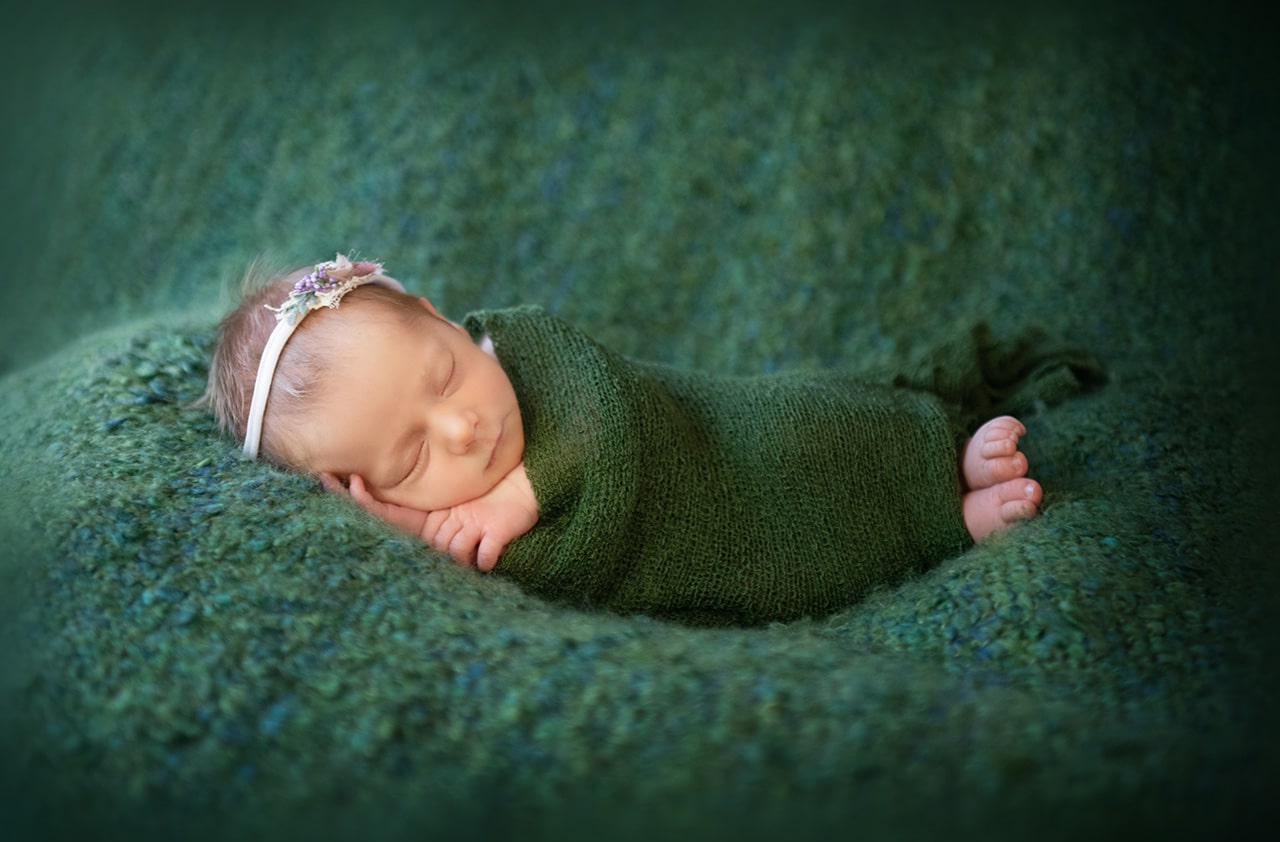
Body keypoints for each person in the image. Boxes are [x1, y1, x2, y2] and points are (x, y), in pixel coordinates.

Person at [203, 254, 1057, 627]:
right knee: (812, 555)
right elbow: (564, 577)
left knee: (820, 434)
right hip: (728, 549)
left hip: (727, 441)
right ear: (365, 491)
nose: (463, 424)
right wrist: (418, 534)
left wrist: (527, 486)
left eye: (442, 374)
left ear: (437, 317)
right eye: (411, 459)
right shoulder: (456, 532)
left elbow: (611, 405)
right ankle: (952, 521)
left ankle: (935, 448)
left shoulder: (526, 346)